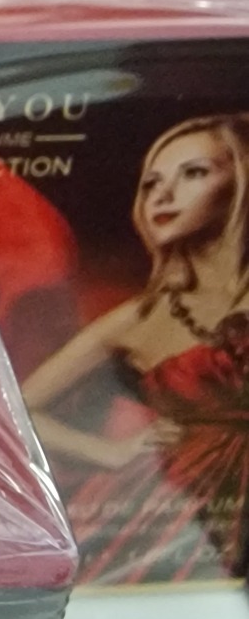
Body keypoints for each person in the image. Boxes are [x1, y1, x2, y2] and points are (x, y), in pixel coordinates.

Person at [22, 114, 249, 585]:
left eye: (193, 172)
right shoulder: (138, 319)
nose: (162, 196)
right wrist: (107, 453)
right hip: (173, 519)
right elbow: (17, 409)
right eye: (151, 183)